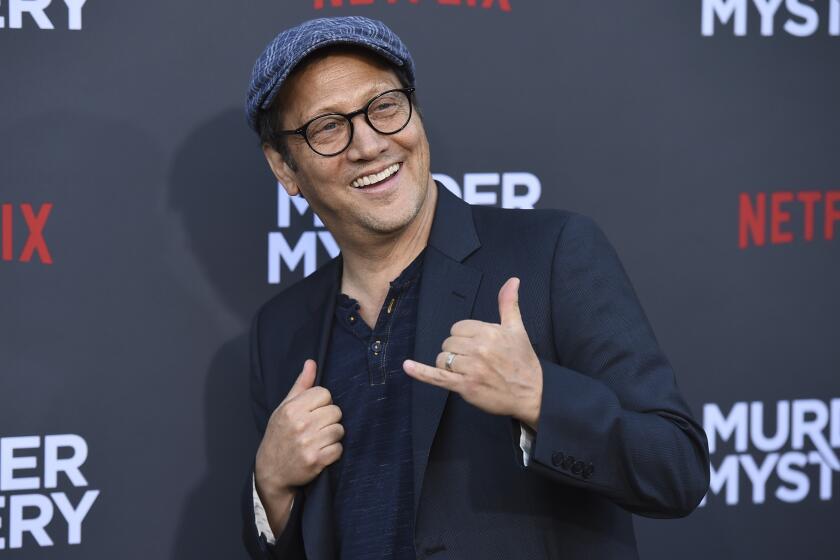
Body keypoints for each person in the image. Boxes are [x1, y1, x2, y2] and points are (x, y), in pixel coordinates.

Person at [241, 16, 710, 560]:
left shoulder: (551, 253)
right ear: (285, 168)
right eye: (327, 127)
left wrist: (539, 398)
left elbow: (676, 470)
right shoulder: (280, 330)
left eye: (385, 106)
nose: (369, 144)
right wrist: (270, 487)